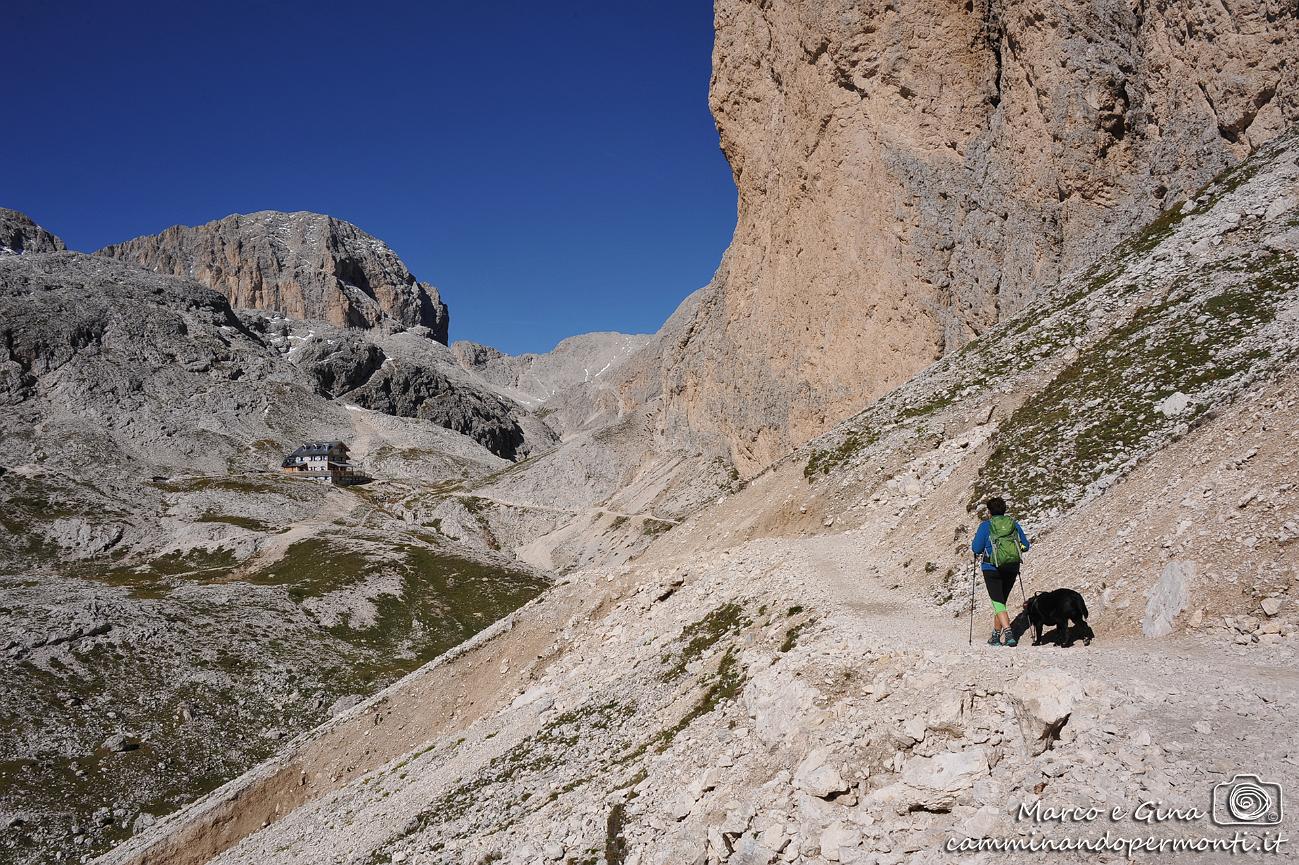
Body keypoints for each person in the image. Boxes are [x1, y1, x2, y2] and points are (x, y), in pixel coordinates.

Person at [971, 496, 1030, 646]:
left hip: (991, 568)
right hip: (1011, 566)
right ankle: (995, 636)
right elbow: (1025, 546)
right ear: (1004, 510)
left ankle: (1008, 632)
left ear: (989, 512)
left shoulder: (986, 526)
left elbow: (976, 549)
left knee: (998, 602)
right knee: (1001, 601)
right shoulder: (1013, 524)